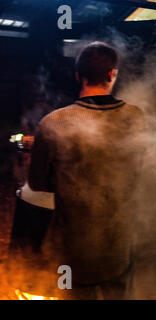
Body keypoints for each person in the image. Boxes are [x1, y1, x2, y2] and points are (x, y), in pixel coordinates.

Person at [28, 42, 145, 299]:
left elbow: (36, 183)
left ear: (78, 75)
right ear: (112, 74)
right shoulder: (136, 118)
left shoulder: (54, 122)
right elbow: (142, 172)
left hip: (72, 246)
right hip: (120, 242)